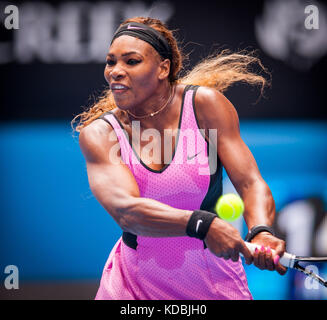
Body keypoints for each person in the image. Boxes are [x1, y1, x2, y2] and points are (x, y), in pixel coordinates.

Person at [72, 16, 287, 300]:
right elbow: (127, 211)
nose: (115, 71)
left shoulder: (206, 106)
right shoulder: (100, 134)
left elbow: (250, 182)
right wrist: (204, 224)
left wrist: (261, 230)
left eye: (131, 61)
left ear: (163, 68)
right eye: (111, 62)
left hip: (212, 280)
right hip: (132, 286)